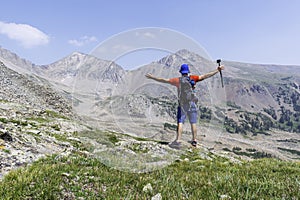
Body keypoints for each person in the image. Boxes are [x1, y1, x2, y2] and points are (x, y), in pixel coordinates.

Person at [145, 63, 224, 147]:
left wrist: (152, 77)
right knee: (193, 122)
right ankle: (194, 140)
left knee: (180, 122)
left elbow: (164, 80)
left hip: (182, 104)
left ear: (181, 72)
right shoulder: (193, 78)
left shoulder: (177, 80)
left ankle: (178, 140)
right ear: (188, 71)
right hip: (192, 103)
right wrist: (217, 70)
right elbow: (205, 76)